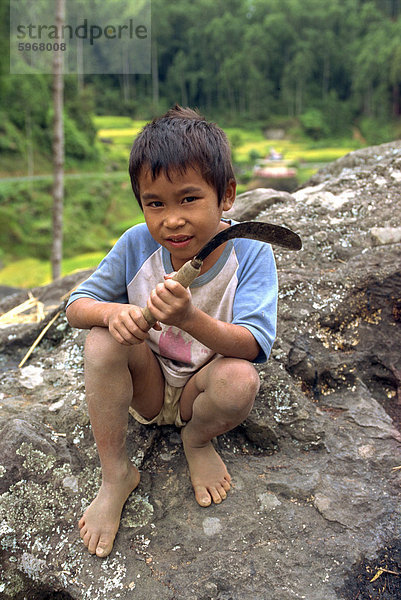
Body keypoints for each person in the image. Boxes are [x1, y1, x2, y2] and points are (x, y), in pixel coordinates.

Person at [66, 105, 278, 558]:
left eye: (188, 199)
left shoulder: (251, 252)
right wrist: (110, 314)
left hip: (199, 392)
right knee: (101, 341)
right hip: (146, 383)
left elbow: (254, 343)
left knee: (240, 379)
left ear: (226, 195)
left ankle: (197, 439)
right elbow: (75, 306)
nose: (171, 219)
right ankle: (115, 474)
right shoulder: (135, 244)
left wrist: (189, 319)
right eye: (154, 203)